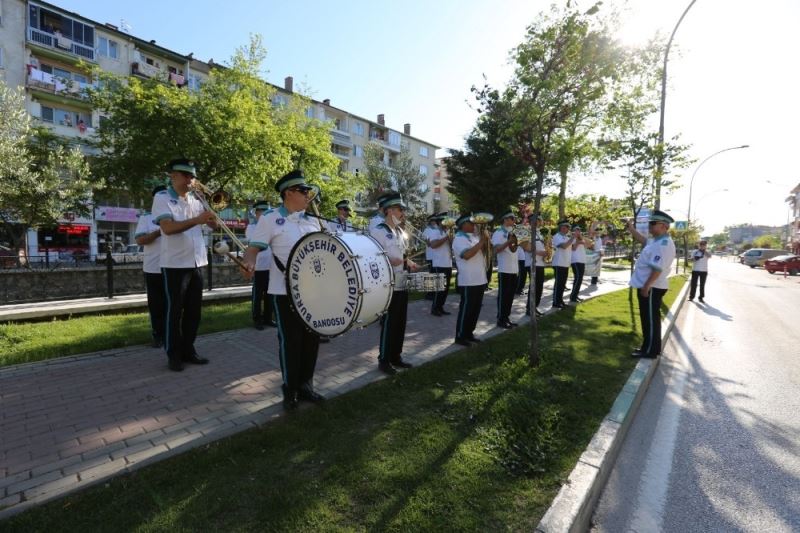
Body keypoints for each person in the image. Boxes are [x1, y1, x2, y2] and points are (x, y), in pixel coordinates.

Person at [244, 170, 324, 410]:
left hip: (313, 291)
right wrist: (249, 262)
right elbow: (253, 248)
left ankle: (306, 385)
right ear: (288, 193)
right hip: (284, 291)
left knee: (312, 340)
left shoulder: (312, 220)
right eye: (303, 191)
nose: (308, 195)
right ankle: (290, 389)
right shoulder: (269, 219)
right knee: (291, 342)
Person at [152, 159, 217, 371]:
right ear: (173, 176)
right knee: (175, 311)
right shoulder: (162, 198)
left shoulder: (197, 199)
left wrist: (212, 221)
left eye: (193, 176)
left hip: (197, 262)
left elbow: (209, 228)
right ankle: (174, 354)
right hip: (174, 264)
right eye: (186, 175)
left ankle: (189, 349)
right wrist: (197, 220)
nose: (191, 180)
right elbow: (168, 228)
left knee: (193, 312)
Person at [370, 191, 419, 374]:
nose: (402, 214)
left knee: (401, 321)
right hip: (387, 281)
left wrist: (409, 262)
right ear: (389, 210)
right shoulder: (378, 230)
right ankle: (384, 360)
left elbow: (403, 256)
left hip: (402, 279)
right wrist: (391, 260)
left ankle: (396, 356)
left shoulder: (399, 231)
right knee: (390, 322)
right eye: (400, 209)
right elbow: (373, 256)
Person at [626, 210, 676, 358]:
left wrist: (646, 286)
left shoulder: (663, 244)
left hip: (651, 287)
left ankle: (650, 351)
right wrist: (631, 228)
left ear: (663, 226)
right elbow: (643, 240)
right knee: (648, 319)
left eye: (652, 223)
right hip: (648, 286)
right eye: (649, 223)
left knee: (651, 320)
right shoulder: (657, 240)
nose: (649, 226)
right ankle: (648, 347)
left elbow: (657, 268)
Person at [135, 185, 167, 348]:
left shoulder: (175, 216)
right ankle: (158, 335)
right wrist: (158, 232)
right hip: (153, 268)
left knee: (173, 304)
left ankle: (172, 335)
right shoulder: (146, 218)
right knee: (156, 304)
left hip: (173, 267)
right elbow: (140, 240)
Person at [453, 214, 489, 346]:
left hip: (479, 278)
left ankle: (469, 333)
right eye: (471, 223)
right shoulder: (458, 239)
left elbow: (483, 251)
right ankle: (460, 336)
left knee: (475, 309)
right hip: (468, 280)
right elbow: (467, 255)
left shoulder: (474, 237)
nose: (474, 225)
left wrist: (485, 241)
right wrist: (481, 242)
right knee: (466, 309)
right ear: (464, 225)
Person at [245, 200, 275, 330]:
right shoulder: (251, 228)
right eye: (261, 212)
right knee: (257, 295)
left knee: (270, 295)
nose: (263, 215)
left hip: (270, 265)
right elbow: (254, 244)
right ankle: (257, 320)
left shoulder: (271, 226)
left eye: (265, 212)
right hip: (258, 266)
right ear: (256, 213)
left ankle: (268, 318)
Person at [492, 210, 519, 328]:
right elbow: (496, 250)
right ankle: (501, 319)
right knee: (503, 296)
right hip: (504, 268)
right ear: (505, 219)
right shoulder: (498, 233)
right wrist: (509, 241)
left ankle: (506, 317)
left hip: (514, 268)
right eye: (512, 219)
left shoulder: (513, 232)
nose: (514, 221)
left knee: (510, 295)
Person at [424, 213, 453, 315]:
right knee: (440, 288)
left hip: (448, 263)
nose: (447, 224)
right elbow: (433, 245)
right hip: (439, 263)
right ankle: (435, 308)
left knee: (445, 289)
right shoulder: (434, 232)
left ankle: (440, 307)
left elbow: (451, 246)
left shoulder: (445, 232)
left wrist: (450, 239)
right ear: (440, 222)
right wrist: (446, 238)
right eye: (445, 222)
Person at [551, 220, 575, 309]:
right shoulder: (556, 237)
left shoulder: (566, 237)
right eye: (566, 227)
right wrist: (572, 238)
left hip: (565, 263)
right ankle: (555, 302)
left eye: (568, 227)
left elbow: (573, 247)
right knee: (558, 284)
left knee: (562, 284)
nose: (568, 229)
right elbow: (564, 246)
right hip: (558, 263)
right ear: (561, 227)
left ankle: (560, 301)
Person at [526, 216, 547, 317]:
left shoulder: (539, 233)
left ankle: (534, 308)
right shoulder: (528, 232)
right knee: (534, 287)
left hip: (540, 263)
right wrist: (540, 253)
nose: (538, 223)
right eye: (536, 221)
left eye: (539, 221)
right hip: (532, 263)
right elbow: (527, 247)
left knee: (539, 287)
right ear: (531, 222)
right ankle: (530, 309)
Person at [569, 225, 587, 303]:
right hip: (575, 261)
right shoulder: (572, 238)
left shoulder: (581, 238)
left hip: (582, 260)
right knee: (578, 278)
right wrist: (578, 242)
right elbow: (573, 248)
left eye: (579, 230)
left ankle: (575, 295)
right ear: (573, 231)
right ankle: (573, 297)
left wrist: (581, 240)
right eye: (576, 230)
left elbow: (588, 245)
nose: (578, 232)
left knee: (580, 279)